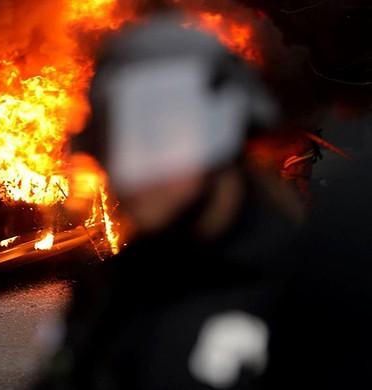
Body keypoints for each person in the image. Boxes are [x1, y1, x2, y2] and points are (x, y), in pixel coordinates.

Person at [36, 15, 306, 389]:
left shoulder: (310, 283)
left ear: (222, 135)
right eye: (118, 144)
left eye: (161, 141)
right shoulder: (108, 289)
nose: (135, 175)